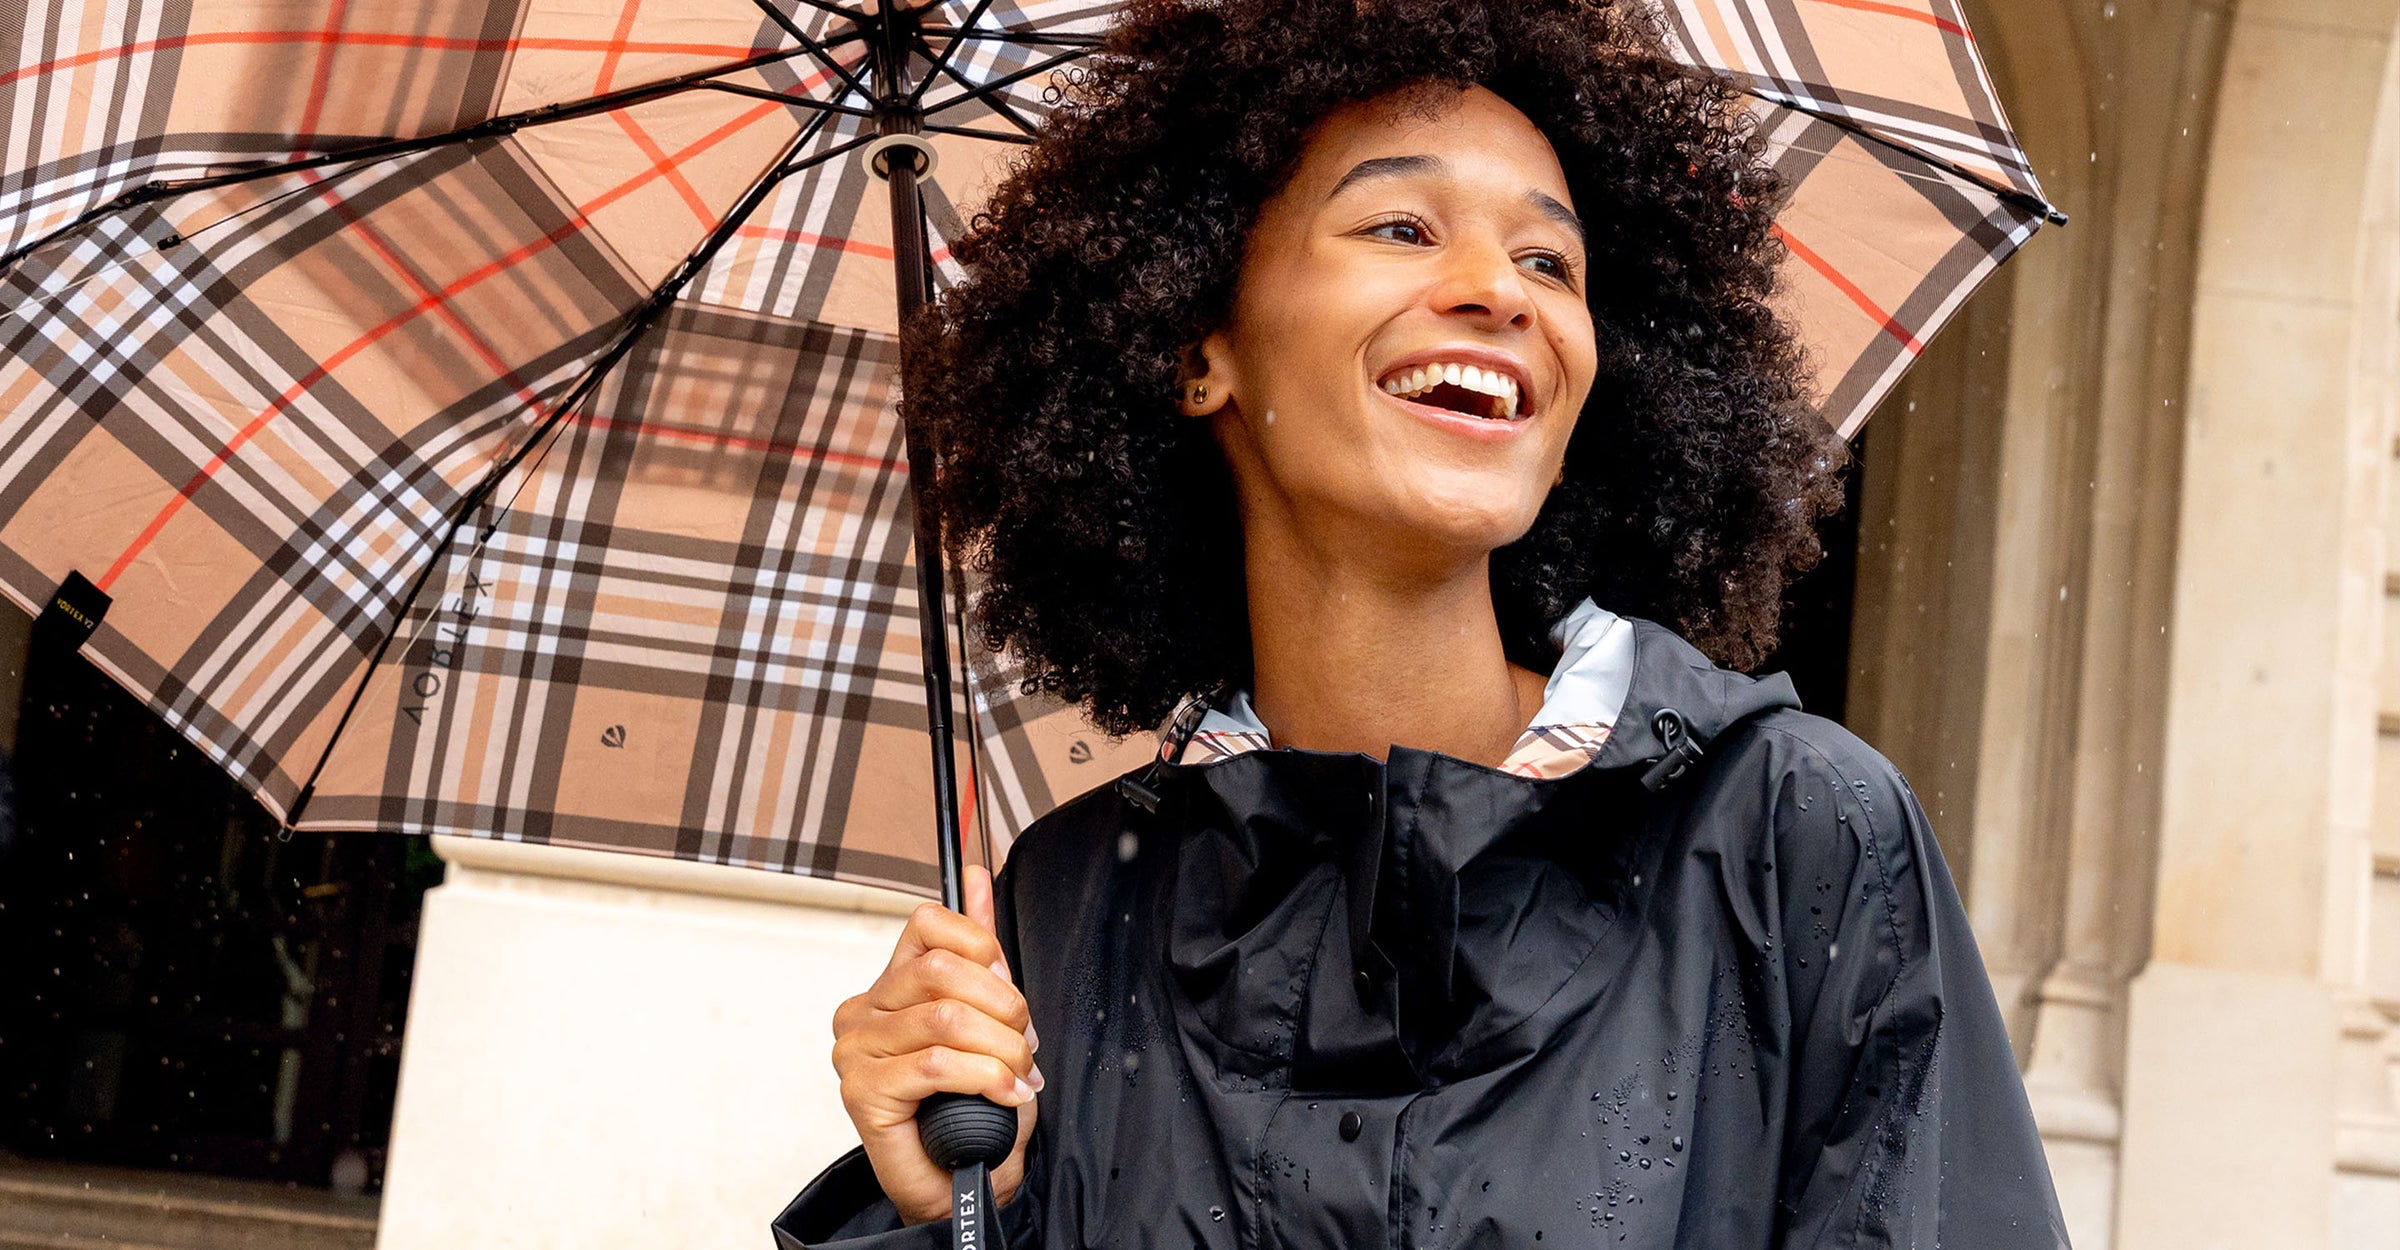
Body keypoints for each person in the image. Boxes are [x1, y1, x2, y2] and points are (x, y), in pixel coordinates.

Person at [775, 0, 2070, 1246]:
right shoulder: (1060, 917)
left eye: (1549, 259)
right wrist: (950, 1205)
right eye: (1401, 226)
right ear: (1194, 342)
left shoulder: (1792, 840)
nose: (1498, 292)